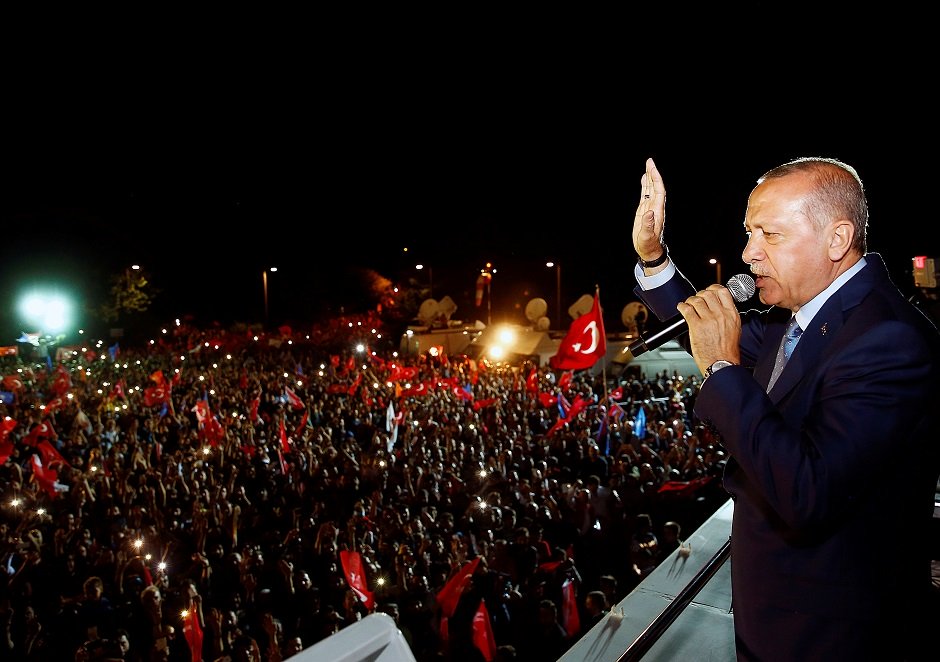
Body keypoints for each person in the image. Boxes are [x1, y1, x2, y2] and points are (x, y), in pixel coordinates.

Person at [631, 156, 940, 660]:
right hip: (775, 617)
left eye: (769, 235)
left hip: (830, 637)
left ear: (836, 240)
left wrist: (724, 371)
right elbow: (705, 326)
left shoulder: (888, 340)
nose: (748, 254)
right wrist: (652, 257)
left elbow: (808, 490)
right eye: (749, 233)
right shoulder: (796, 319)